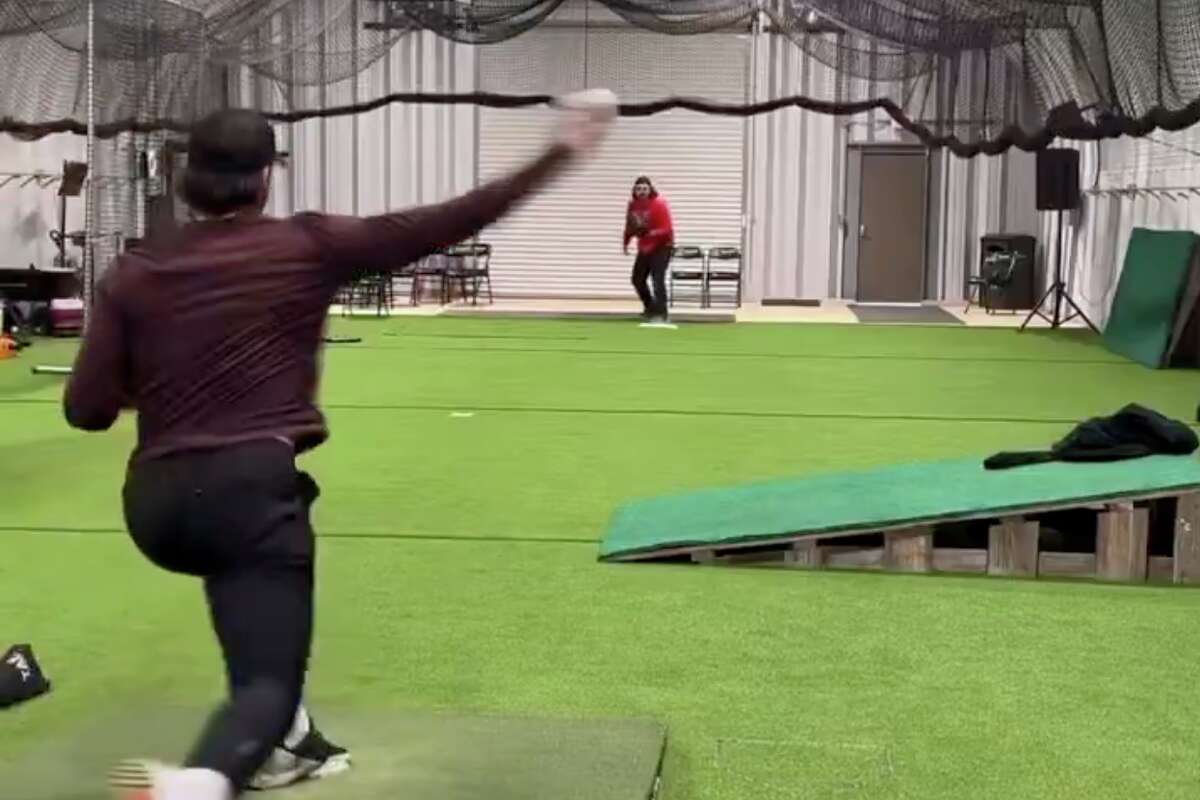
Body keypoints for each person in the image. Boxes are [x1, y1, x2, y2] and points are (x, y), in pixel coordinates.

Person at [64, 88, 617, 800]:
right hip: (249, 494)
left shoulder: (133, 272)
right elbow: (449, 221)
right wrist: (562, 150)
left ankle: (285, 744)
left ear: (184, 181)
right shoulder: (306, 244)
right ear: (268, 176)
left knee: (244, 601)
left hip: (156, 508)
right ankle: (199, 783)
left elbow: (86, 410)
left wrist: (160, 384)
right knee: (266, 678)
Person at [622, 176, 674, 324]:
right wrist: (625, 243)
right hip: (645, 246)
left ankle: (662, 313)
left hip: (662, 246)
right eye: (638, 189)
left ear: (650, 189)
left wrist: (651, 233)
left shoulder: (659, 204)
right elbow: (629, 226)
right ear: (634, 191)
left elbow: (667, 228)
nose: (642, 192)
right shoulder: (633, 206)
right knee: (637, 279)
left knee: (657, 279)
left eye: (645, 189)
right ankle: (650, 308)